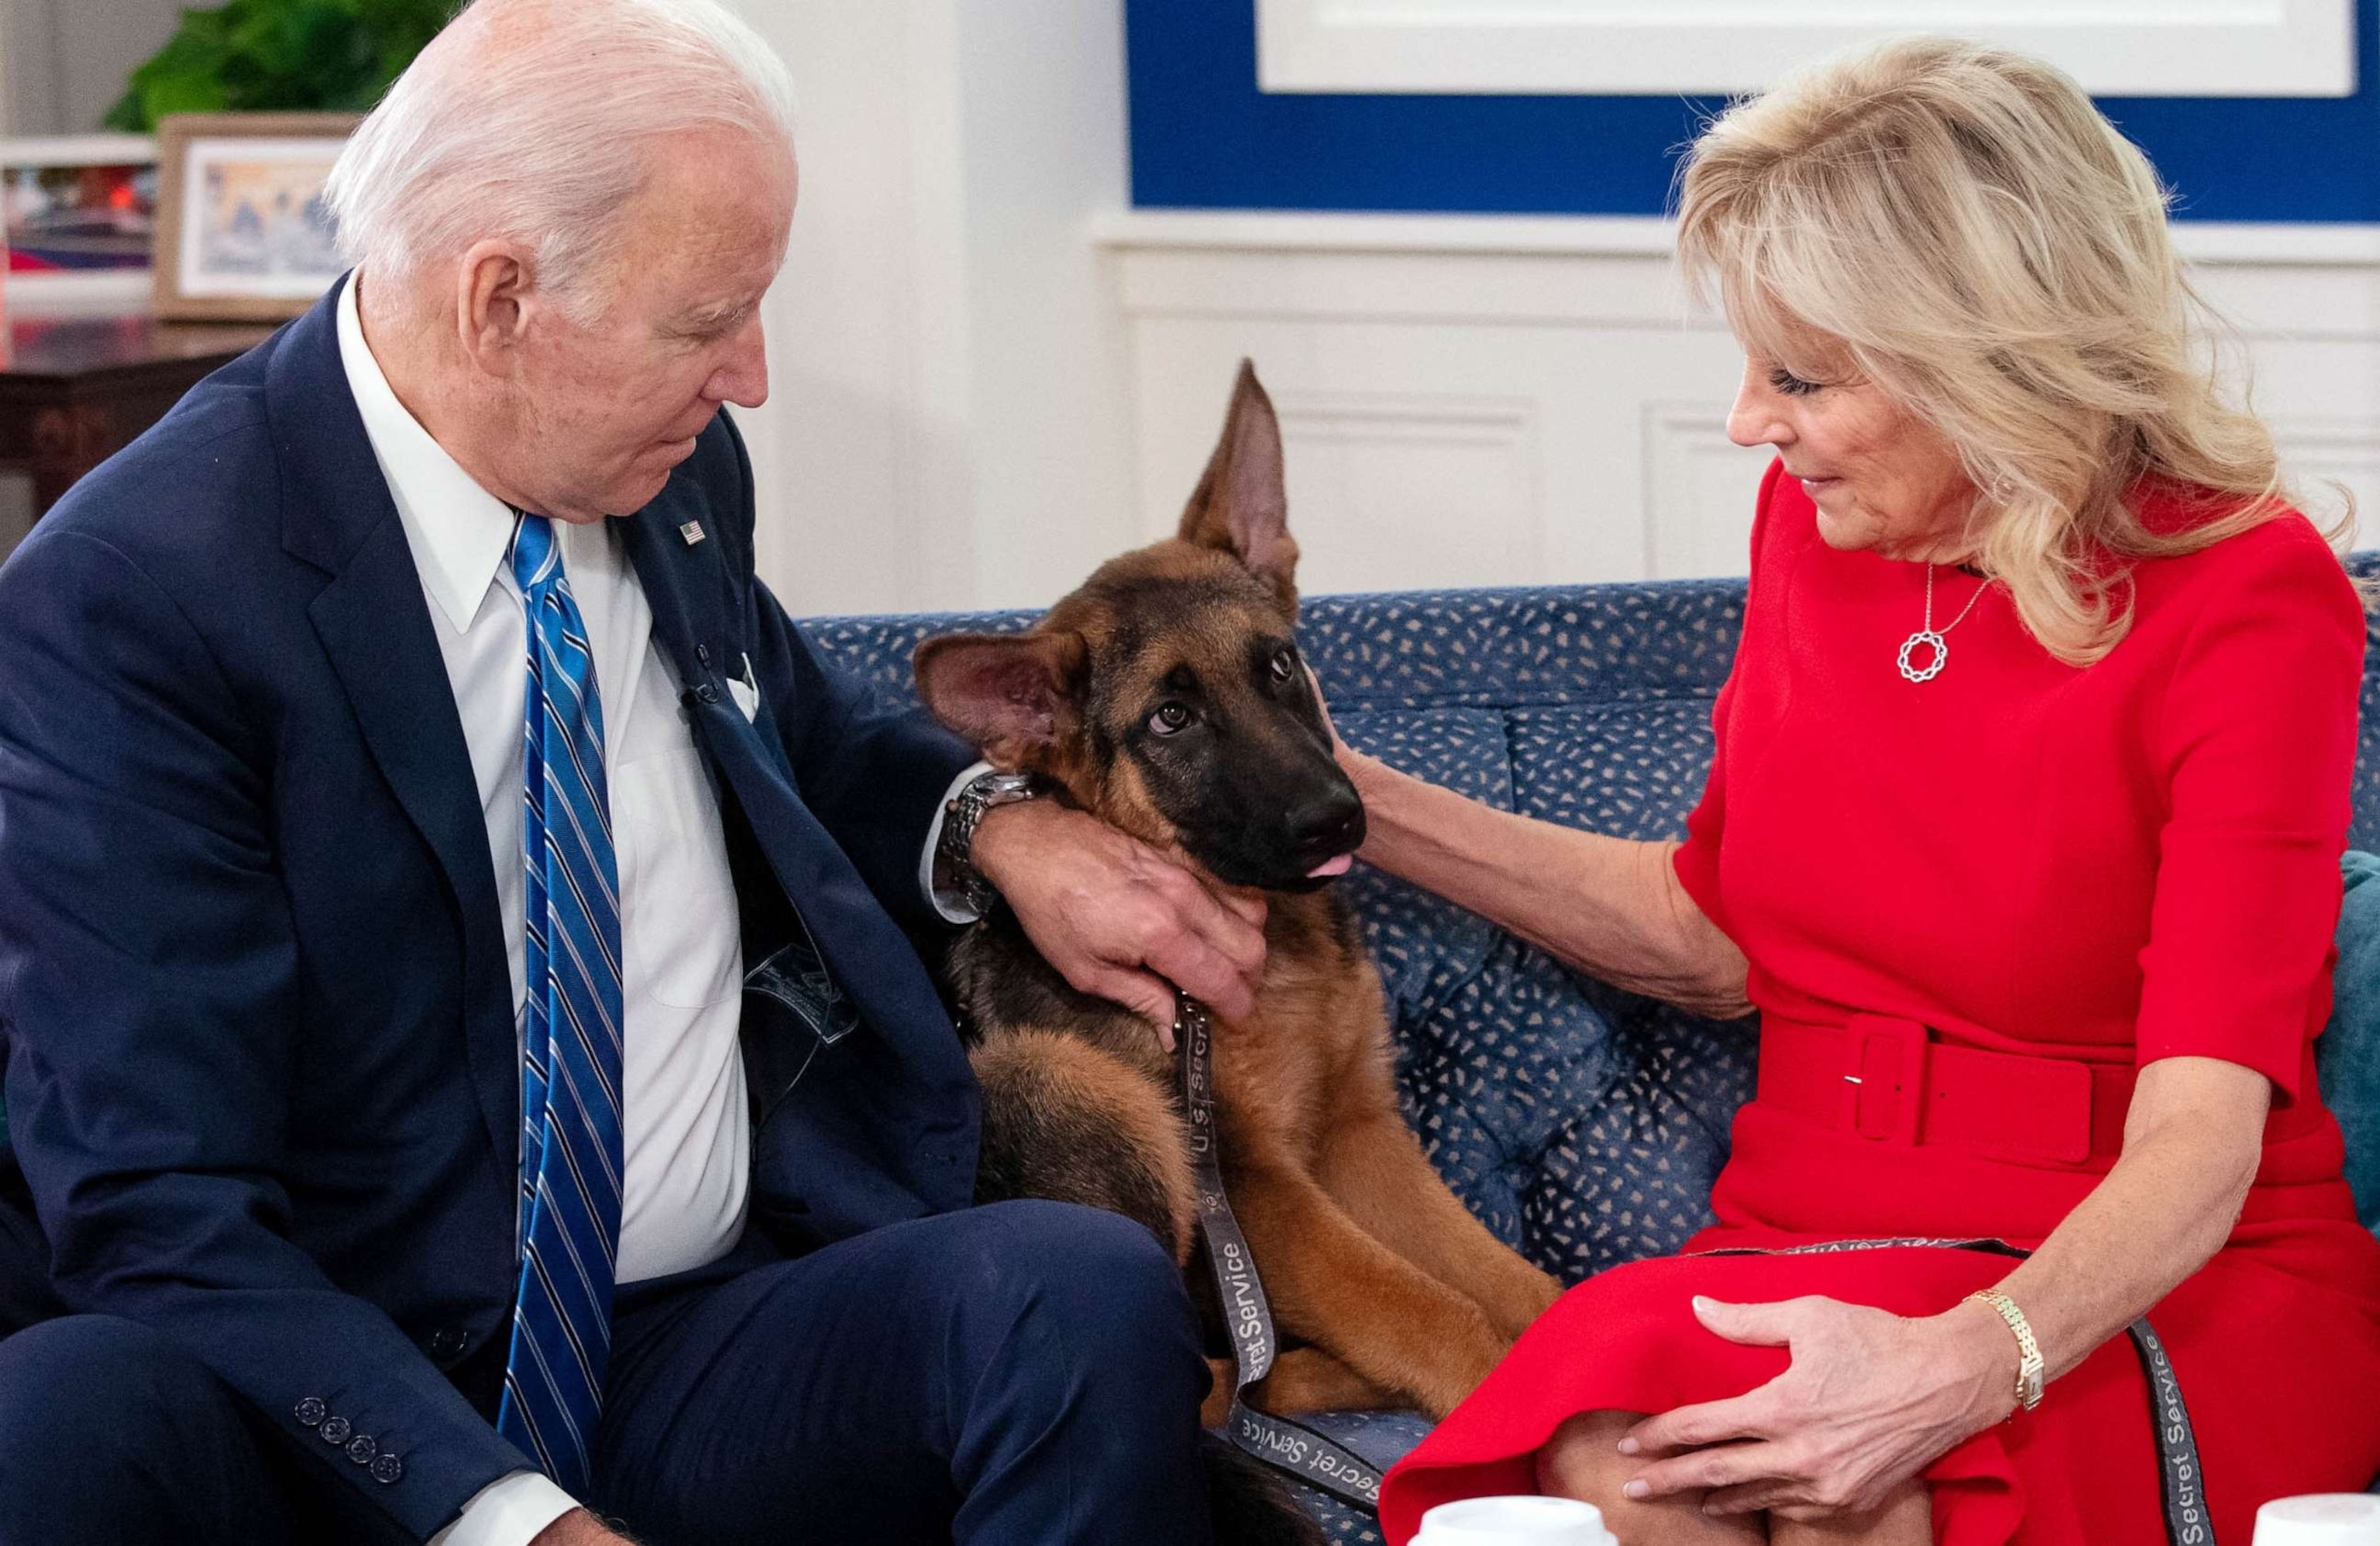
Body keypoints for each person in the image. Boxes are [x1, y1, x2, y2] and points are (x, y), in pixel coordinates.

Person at [0, 2, 1276, 1543]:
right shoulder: (137, 598)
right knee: (63, 1420)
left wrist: (998, 824)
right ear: (500, 303)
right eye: (705, 320)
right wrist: (510, 1516)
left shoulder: (658, 470)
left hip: (685, 1339)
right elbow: (157, 1212)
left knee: (1068, 1297)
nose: (747, 377)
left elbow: (788, 716)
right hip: (337, 1397)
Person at [1353, 37, 2380, 1546]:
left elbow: (2201, 1136)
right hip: (1806, 1228)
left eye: (1802, 375)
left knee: (1871, 1491)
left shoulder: (2248, 594)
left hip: (2142, 1272)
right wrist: (1349, 797)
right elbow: (1714, 932)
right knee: (1622, 1453)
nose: (1747, 421)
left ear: (1983, 353)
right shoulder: (1814, 526)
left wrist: (1969, 1359)